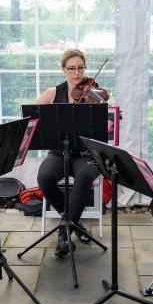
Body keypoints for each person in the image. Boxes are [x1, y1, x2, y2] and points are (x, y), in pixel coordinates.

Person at [36, 49, 104, 257]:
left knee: (84, 176)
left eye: (81, 68)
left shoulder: (95, 94)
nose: (77, 73)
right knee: (44, 178)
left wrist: (108, 119)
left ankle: (64, 234)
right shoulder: (52, 93)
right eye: (72, 68)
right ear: (63, 69)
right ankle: (74, 223)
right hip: (59, 151)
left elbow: (106, 123)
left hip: (85, 154)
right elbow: (33, 117)